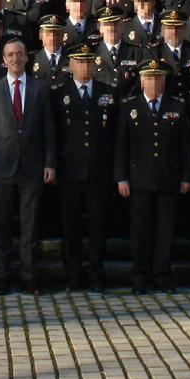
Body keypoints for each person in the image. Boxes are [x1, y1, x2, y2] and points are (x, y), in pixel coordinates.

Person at [114, 59, 190, 292]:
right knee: (141, 231)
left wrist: (187, 176)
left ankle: (162, 276)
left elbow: (186, 145)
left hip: (168, 179)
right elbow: (121, 146)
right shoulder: (130, 107)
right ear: (141, 81)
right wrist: (121, 177)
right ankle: (140, 277)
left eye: (158, 78)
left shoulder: (177, 106)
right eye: (149, 78)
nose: (153, 82)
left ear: (164, 81)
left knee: (165, 232)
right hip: (139, 181)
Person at [49, 43, 118, 289]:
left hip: (99, 171)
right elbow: (53, 134)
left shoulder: (108, 92)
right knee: (71, 227)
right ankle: (73, 276)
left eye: (89, 61)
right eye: (80, 62)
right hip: (70, 172)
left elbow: (115, 135)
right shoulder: (59, 94)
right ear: (71, 65)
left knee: (98, 227)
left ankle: (97, 275)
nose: (85, 66)